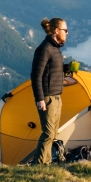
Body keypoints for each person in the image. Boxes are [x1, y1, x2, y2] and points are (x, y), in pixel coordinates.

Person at [31, 17, 70, 164]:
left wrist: (66, 68)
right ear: (56, 31)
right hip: (47, 98)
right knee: (47, 133)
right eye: (65, 30)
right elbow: (36, 75)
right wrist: (40, 99)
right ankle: (39, 164)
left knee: (52, 134)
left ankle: (45, 163)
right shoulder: (45, 48)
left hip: (56, 96)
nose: (67, 33)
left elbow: (52, 70)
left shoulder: (55, 48)